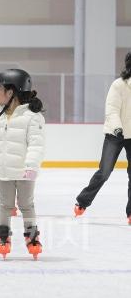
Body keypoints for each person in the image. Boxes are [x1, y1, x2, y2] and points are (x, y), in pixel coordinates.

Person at [0, 69, 45, 260]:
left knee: (26, 205)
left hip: (24, 172)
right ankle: (3, 237)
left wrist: (31, 166)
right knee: (5, 205)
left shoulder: (32, 117)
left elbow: (36, 145)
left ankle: (32, 237)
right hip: (3, 171)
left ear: (11, 93)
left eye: (0, 90)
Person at [74, 52, 131, 225]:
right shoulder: (119, 85)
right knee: (105, 171)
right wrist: (117, 127)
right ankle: (83, 201)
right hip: (116, 133)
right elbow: (112, 109)